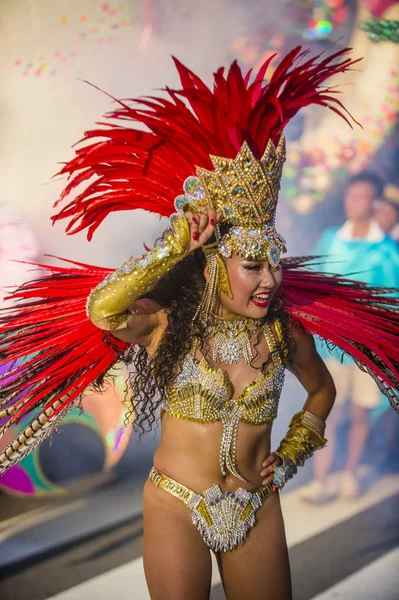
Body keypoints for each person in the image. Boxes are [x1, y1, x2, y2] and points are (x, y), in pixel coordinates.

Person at [1, 49, 399, 600]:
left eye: (274, 265)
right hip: (176, 503)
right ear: (216, 267)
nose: (268, 281)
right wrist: (171, 249)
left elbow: (322, 389)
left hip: (254, 505)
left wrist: (289, 458)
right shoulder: (169, 324)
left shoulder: (284, 332)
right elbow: (103, 310)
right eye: (252, 267)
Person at [300, 172, 399, 503]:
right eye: (350, 196)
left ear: (374, 203)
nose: (354, 203)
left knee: (359, 412)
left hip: (367, 349)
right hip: (330, 345)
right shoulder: (330, 240)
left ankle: (351, 473)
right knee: (327, 409)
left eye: (361, 197)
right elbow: (312, 284)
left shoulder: (387, 250)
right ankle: (320, 479)